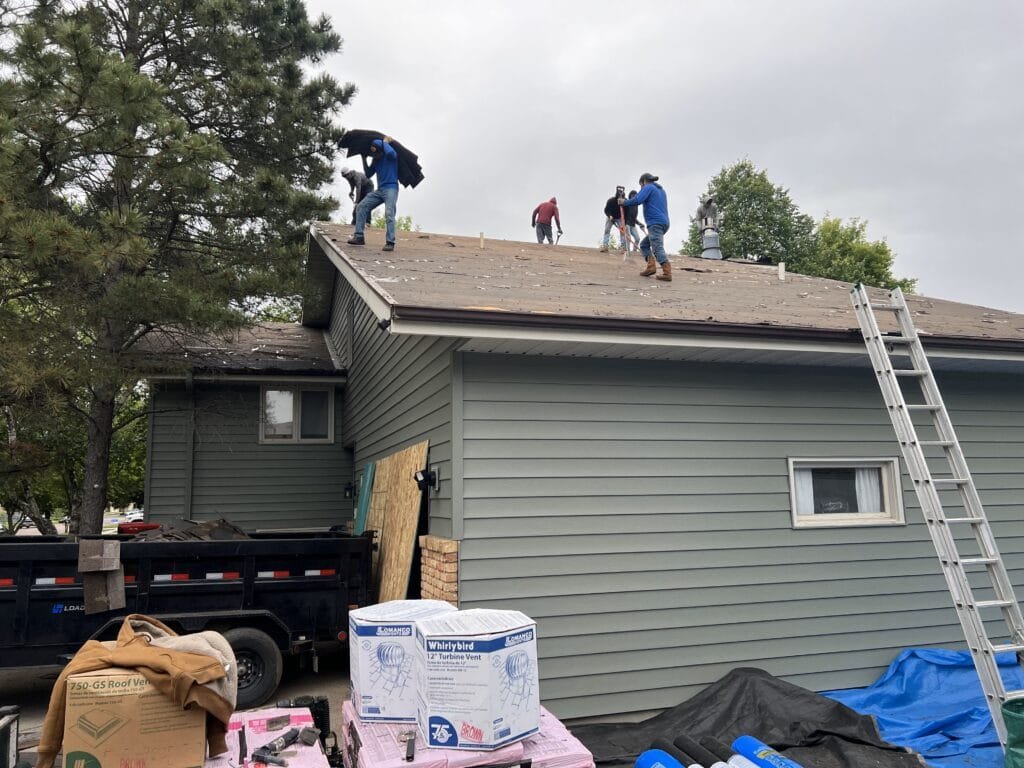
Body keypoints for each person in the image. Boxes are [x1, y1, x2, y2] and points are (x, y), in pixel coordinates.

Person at [347, 136, 399, 252]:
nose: (374, 154)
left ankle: (390, 242)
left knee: (389, 213)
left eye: (375, 150)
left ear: (381, 149)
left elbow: (391, 153)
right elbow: (368, 173)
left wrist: (384, 142)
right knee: (361, 207)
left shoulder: (390, 156)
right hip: (380, 190)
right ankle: (359, 236)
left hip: (391, 188)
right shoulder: (376, 160)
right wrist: (364, 159)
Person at [620, 172, 671, 281]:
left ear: (643, 182)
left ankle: (667, 272)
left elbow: (637, 200)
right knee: (644, 245)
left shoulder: (648, 187)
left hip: (655, 223)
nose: (641, 188)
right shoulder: (661, 190)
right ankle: (651, 267)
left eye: (641, 185)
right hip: (664, 223)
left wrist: (624, 202)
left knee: (657, 247)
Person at [599, 185, 627, 252]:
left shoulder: (625, 202)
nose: (620, 200)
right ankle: (605, 246)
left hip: (620, 218)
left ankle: (623, 248)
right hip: (611, 217)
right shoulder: (611, 201)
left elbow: (627, 212)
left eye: (622, 199)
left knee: (622, 232)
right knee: (607, 230)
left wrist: (624, 222)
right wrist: (610, 216)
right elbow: (606, 210)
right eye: (619, 199)